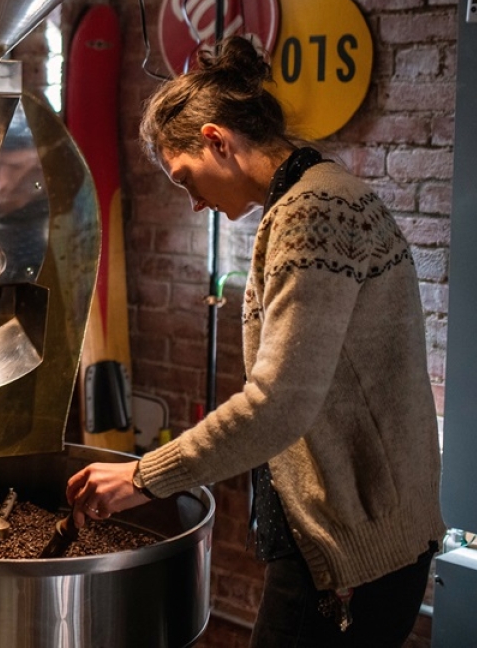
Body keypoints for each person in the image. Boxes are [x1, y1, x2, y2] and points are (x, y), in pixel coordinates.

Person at [65, 36, 445, 647]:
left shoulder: (311, 212)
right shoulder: (326, 193)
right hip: (368, 544)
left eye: (186, 176)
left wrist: (140, 478)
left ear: (217, 140)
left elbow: (277, 404)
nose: (192, 203)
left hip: (349, 556)